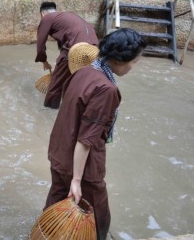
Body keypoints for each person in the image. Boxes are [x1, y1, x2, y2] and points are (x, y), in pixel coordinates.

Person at [43, 28, 146, 240]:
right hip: (83, 164)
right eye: (134, 62)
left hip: (59, 151)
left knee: (56, 202)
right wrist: (78, 180)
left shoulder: (84, 71)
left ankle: (44, 234)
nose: (133, 67)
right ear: (119, 60)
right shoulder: (106, 89)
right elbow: (86, 140)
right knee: (97, 213)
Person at [35, 2, 98, 109]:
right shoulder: (66, 17)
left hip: (76, 48)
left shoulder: (47, 18)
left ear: (42, 14)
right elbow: (66, 39)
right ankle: (76, 107)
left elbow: (40, 44)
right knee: (77, 80)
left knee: (56, 82)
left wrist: (44, 61)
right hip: (94, 49)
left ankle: (48, 111)